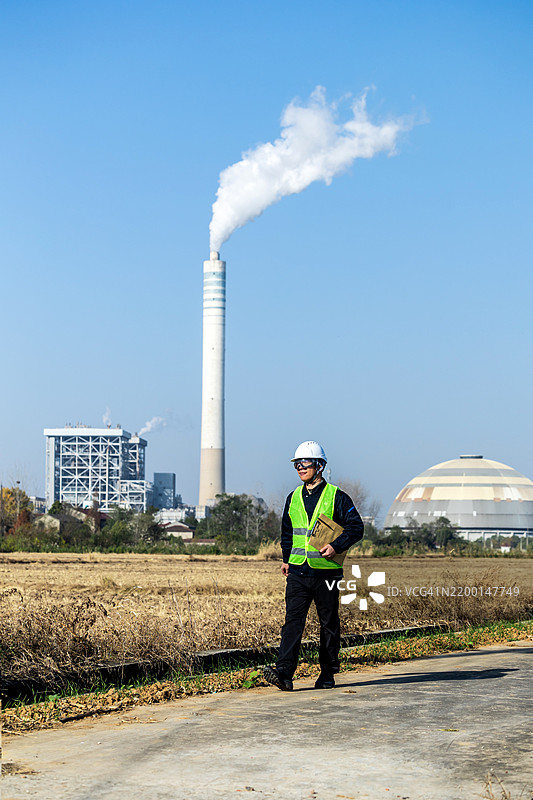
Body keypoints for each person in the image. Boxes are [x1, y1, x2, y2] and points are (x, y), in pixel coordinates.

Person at [263, 441, 364, 691]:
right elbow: (287, 532)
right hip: (298, 571)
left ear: (320, 466)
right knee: (292, 622)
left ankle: (328, 673)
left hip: (326, 572)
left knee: (328, 623)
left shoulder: (337, 497)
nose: (300, 468)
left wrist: (336, 546)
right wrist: (286, 559)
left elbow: (356, 527)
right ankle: (284, 673)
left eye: (305, 463)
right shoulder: (293, 497)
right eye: (297, 464)